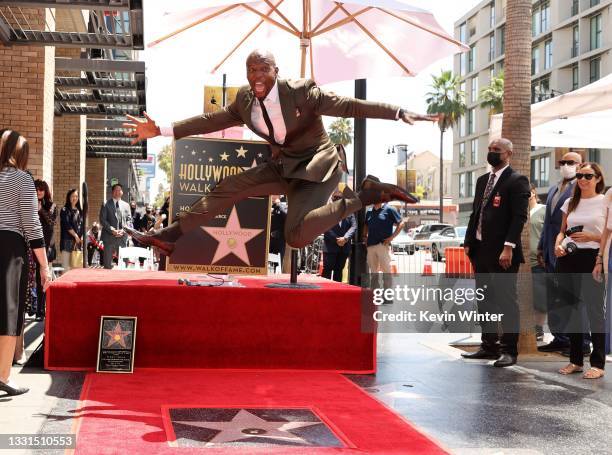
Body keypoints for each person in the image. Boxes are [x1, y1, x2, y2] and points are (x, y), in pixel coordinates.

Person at [122, 49, 433, 254]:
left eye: (263, 69)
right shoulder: (244, 101)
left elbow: (348, 105)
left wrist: (396, 111)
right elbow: (208, 120)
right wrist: (159, 129)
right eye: (251, 69)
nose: (256, 75)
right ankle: (171, 235)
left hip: (318, 167)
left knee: (295, 236)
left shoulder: (301, 92)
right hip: (284, 166)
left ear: (276, 71)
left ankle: (365, 196)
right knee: (230, 186)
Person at [462, 138, 530, 368]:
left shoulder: (517, 180)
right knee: (485, 301)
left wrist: (508, 247)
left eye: (496, 150)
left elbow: (519, 217)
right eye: (490, 149)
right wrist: (468, 242)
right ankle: (488, 346)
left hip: (503, 253)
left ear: (508, 154)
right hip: (480, 251)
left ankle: (509, 351)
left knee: (506, 302)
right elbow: (475, 214)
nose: (492, 153)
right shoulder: (483, 180)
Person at [0, 129, 51, 396]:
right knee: (8, 312)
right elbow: (31, 224)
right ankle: (3, 375)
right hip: (9, 247)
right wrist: (44, 265)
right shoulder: (21, 179)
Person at [555, 163, 606, 379]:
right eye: (580, 175)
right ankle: (575, 361)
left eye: (588, 175)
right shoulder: (570, 202)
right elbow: (561, 232)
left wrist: (592, 237)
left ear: (598, 178)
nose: (583, 179)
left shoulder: (605, 202)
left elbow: (609, 234)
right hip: (568, 258)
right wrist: (557, 246)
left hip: (592, 259)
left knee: (595, 311)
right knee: (572, 310)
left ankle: (598, 363)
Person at [537, 151, 582, 353]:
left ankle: (581, 343)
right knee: (554, 297)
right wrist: (541, 247)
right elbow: (548, 223)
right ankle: (560, 337)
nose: (565, 165)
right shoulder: (555, 188)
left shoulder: (581, 188)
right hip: (549, 250)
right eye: (562, 162)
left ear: (580, 166)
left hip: (569, 251)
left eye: (570, 162)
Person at [363, 202, 404, 299]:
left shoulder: (389, 209)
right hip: (371, 246)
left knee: (386, 271)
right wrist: (364, 236)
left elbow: (401, 223)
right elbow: (366, 225)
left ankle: (387, 296)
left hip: (383, 245)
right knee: (373, 272)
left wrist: (391, 237)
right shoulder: (369, 212)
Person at [34, 179, 56, 320]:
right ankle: (34, 307)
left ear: (45, 191)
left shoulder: (52, 205)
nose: (39, 192)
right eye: (36, 189)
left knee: (42, 277)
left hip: (46, 246)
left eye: (41, 189)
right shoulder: (29, 203)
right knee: (34, 278)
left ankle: (41, 310)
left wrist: (40, 210)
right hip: (31, 245)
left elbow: (51, 223)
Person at [322, 191, 356, 282]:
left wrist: (345, 238)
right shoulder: (327, 211)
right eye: (335, 199)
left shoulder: (349, 211)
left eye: (339, 199)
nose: (337, 201)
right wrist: (337, 239)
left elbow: (354, 226)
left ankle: (336, 293)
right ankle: (324, 292)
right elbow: (325, 227)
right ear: (332, 200)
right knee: (327, 271)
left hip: (344, 247)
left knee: (339, 271)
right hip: (330, 247)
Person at [528, 184, 547, 340]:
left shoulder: (544, 210)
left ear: (533, 192)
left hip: (538, 262)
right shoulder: (518, 212)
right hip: (519, 263)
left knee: (539, 298)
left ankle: (538, 329)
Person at [99, 183, 132, 269]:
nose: (118, 192)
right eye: (116, 190)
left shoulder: (126, 205)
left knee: (124, 264)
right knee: (107, 265)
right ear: (112, 192)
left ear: (122, 192)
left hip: (122, 238)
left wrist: (123, 230)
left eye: (119, 190)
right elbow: (103, 220)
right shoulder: (106, 204)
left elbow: (129, 220)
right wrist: (112, 230)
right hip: (109, 237)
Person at [59, 188, 84, 272]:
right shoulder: (64, 210)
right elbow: (67, 225)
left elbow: (82, 226)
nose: (75, 198)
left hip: (77, 243)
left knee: (76, 267)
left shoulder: (80, 211)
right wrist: (76, 236)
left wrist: (82, 237)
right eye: (73, 196)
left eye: (76, 196)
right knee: (66, 268)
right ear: (68, 197)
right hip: (67, 242)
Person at [269, 195, 287, 264]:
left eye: (275, 194)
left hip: (279, 239)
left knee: (278, 264)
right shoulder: (268, 205)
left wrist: (278, 204)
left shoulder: (283, 206)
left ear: (279, 196)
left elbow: (286, 215)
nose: (273, 196)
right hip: (267, 240)